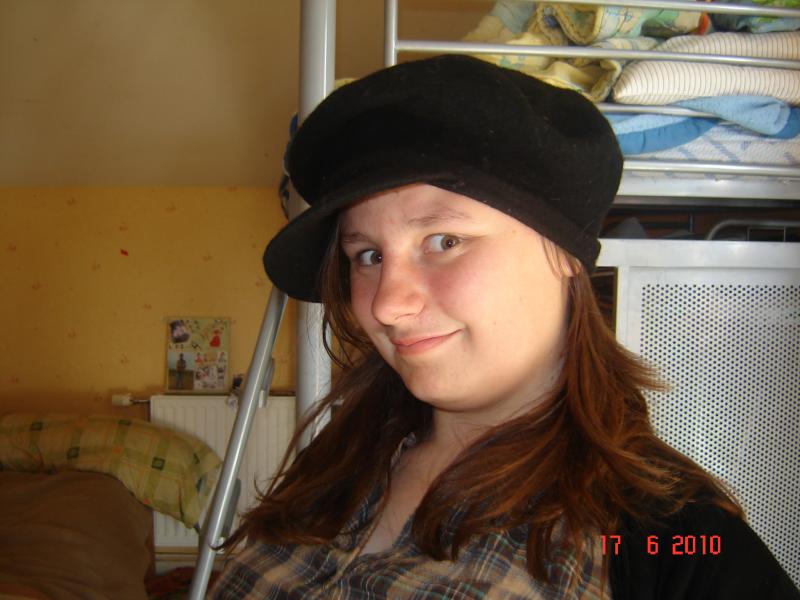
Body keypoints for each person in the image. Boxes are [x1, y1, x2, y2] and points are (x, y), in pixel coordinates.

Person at [211, 55, 798, 599]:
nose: (387, 305)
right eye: (367, 255)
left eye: (444, 241)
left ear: (564, 252)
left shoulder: (670, 535)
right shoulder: (338, 460)